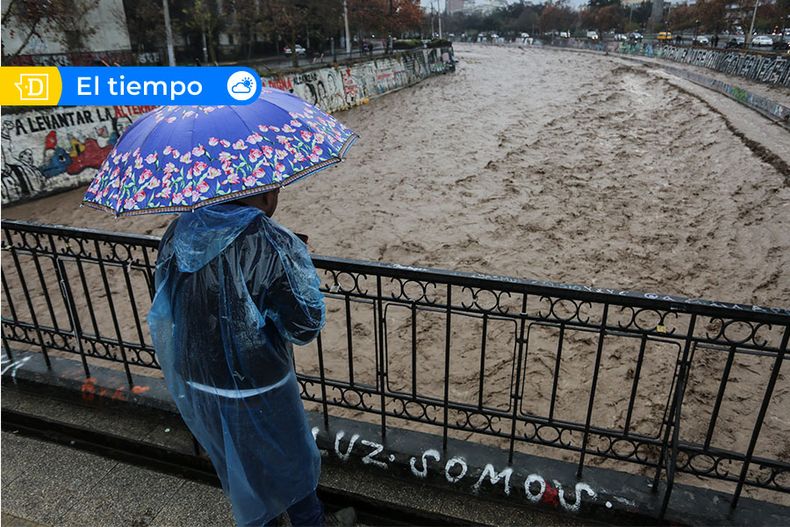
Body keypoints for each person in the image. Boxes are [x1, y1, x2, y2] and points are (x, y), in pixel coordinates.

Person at [148, 188, 356, 527]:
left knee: (243, 466)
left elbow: (170, 304)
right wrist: (296, 263)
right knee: (290, 460)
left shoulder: (179, 231)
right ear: (262, 192)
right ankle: (312, 523)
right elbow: (303, 326)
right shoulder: (270, 240)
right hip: (259, 386)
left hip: (199, 379)